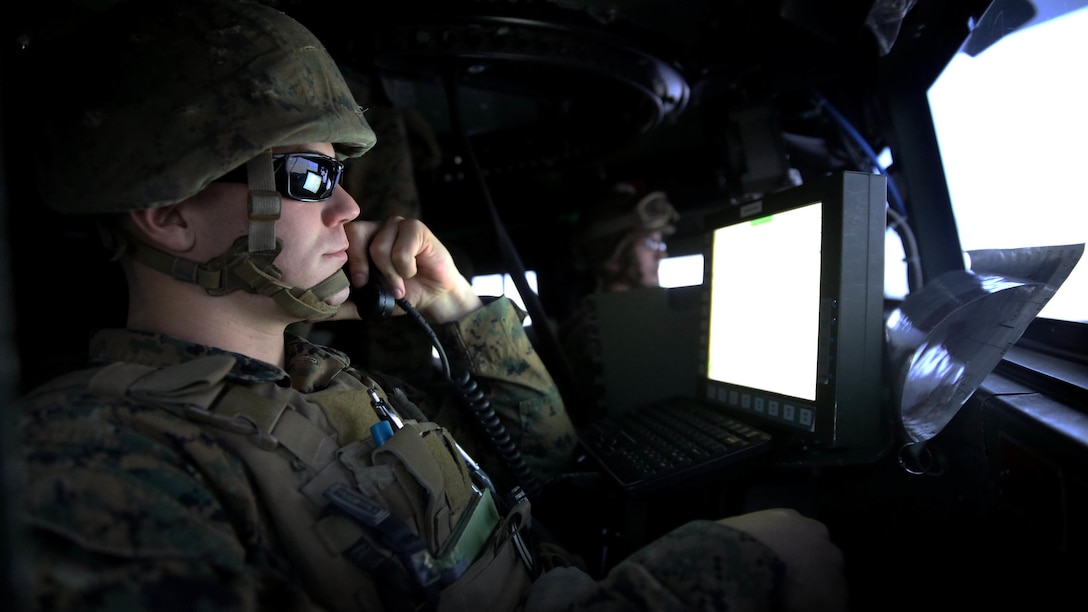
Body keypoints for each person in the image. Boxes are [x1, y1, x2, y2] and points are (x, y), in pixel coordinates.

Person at [11, 1, 848, 611]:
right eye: (308, 177)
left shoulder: (317, 375)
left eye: (341, 175)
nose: (346, 210)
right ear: (168, 213)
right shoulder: (91, 461)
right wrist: (702, 584)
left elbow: (548, 473)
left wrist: (454, 310)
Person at [556, 183, 682, 421]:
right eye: (650, 243)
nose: (661, 254)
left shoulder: (642, 319)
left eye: (661, 243)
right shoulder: (591, 333)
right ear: (610, 253)